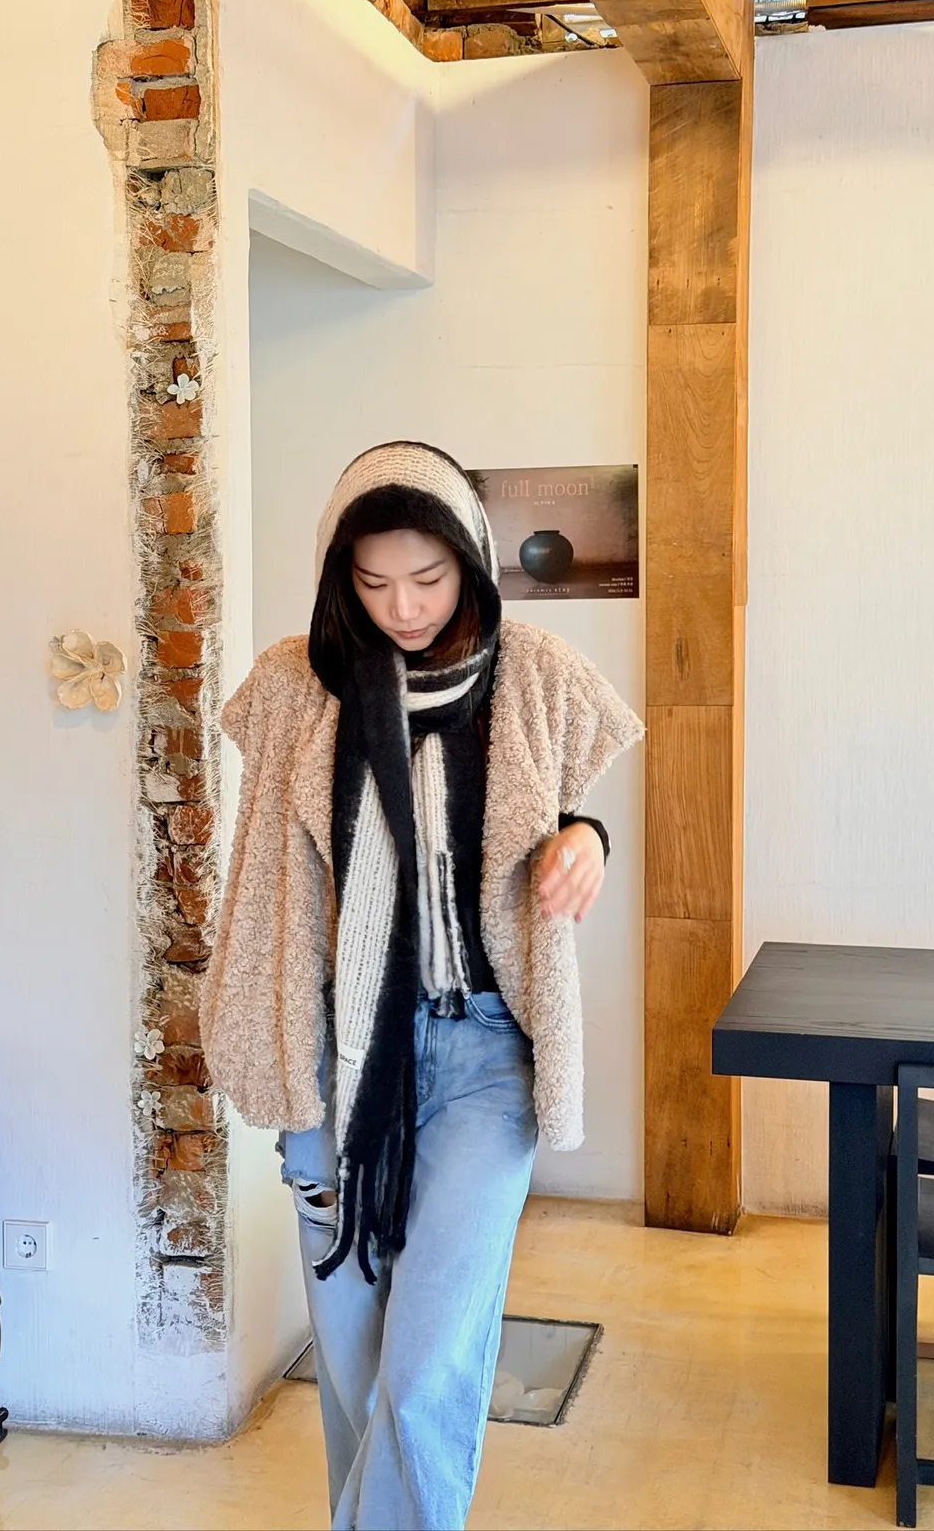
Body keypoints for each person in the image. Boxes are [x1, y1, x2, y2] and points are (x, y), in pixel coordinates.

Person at [201, 441, 644, 1531]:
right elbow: (263, 879)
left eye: (429, 578)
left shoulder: (531, 672)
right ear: (338, 577)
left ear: (473, 564)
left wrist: (586, 837)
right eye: (374, 582)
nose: (403, 607)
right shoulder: (295, 688)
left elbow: (558, 812)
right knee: (355, 1367)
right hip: (339, 1060)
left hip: (485, 1055)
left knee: (424, 1368)